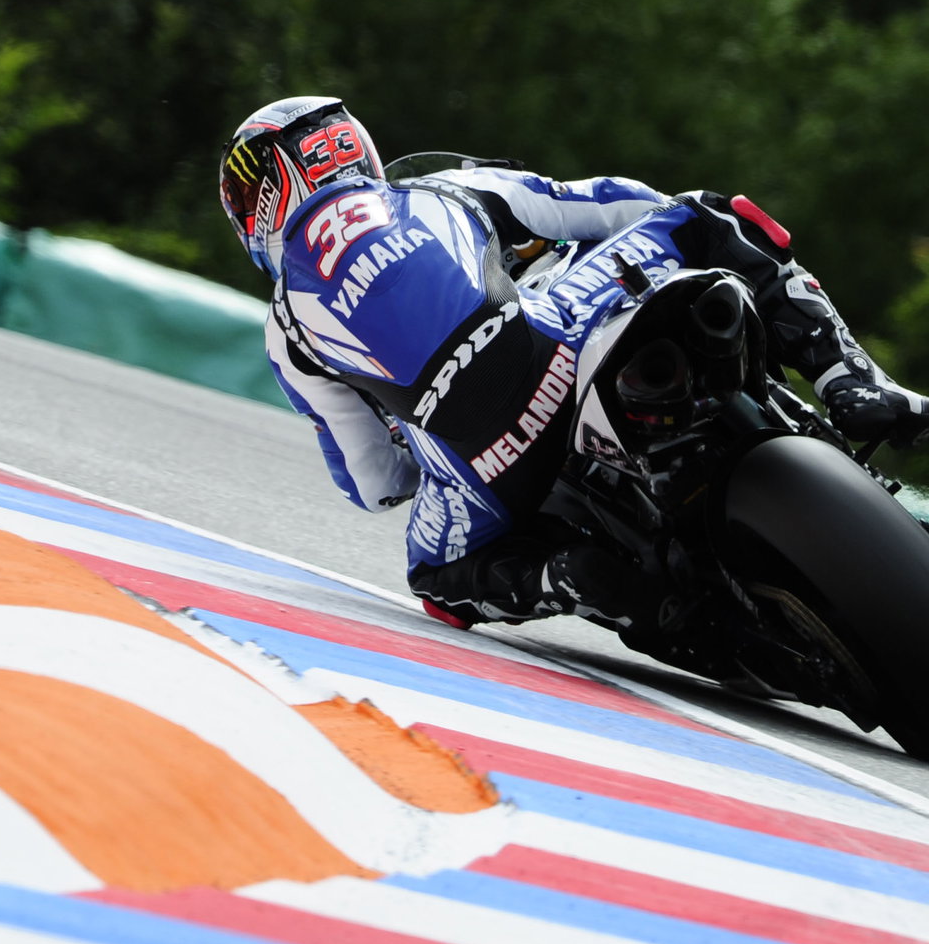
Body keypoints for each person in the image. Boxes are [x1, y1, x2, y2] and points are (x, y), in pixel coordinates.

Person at [217, 94, 929, 635]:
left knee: (434, 575)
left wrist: (416, 438)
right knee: (711, 215)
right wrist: (649, 240)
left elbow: (374, 487)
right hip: (556, 342)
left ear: (273, 194)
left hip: (485, 469)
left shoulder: (286, 327)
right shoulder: (443, 192)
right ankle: (852, 381)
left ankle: (566, 577)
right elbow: (609, 204)